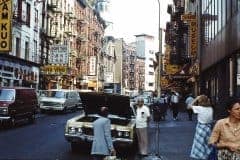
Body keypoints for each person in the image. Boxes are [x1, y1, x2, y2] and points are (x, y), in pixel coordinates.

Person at [188, 95, 214, 160]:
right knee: (207, 145)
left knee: (200, 145)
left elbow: (188, 106)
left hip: (201, 128)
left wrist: (195, 99)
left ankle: (201, 157)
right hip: (208, 128)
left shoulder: (199, 108)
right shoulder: (210, 108)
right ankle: (208, 156)